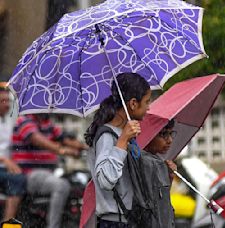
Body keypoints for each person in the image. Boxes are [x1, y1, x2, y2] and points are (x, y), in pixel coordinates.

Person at [85, 73, 153, 227]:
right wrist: (122, 141)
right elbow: (105, 180)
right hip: (114, 222)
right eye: (147, 101)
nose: (149, 107)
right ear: (133, 103)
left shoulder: (124, 134)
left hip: (130, 219)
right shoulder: (106, 136)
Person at [12, 113, 87, 228]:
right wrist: (65, 151)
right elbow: (39, 140)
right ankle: (53, 226)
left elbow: (65, 139)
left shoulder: (47, 123)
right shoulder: (24, 121)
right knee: (61, 186)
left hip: (48, 174)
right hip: (29, 174)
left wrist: (87, 147)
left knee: (76, 183)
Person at [0, 83, 26, 221]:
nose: (6, 104)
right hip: (3, 166)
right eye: (2, 101)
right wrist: (5, 160)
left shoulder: (9, 121)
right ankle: (8, 223)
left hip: (7, 167)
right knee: (17, 179)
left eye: (8, 101)